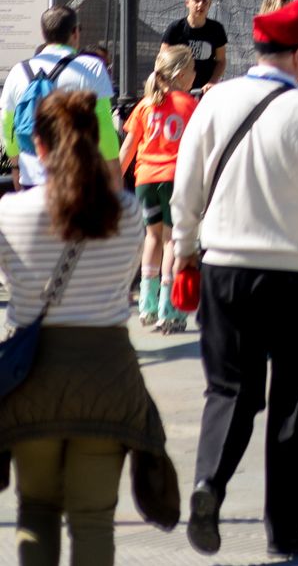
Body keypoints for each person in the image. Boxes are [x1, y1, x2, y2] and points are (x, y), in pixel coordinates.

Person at [173, 0, 298, 562]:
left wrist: (182, 251)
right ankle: (284, 531)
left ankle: (208, 485)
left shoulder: (215, 104)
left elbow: (185, 189)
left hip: (223, 267)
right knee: (290, 400)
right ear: (297, 53)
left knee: (228, 390)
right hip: (295, 277)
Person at [0, 90, 170, 566]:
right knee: (94, 520)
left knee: (35, 513)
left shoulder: (10, 212)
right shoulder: (128, 211)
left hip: (30, 380)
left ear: (37, 145)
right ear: (99, 141)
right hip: (108, 377)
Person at [119, 41, 199, 331]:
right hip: (175, 178)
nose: (195, 74)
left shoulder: (145, 104)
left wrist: (116, 181)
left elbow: (128, 147)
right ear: (180, 74)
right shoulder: (190, 105)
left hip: (145, 180)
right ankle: (170, 308)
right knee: (173, 241)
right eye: (192, 68)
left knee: (151, 238)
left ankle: (146, 305)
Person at [3, 10, 121, 195]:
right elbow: (104, 128)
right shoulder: (91, 67)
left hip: (31, 177)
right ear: (75, 32)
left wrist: (16, 167)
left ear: (44, 33)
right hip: (78, 177)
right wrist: (114, 174)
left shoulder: (18, 71)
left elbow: (7, 124)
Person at [163, 0, 228, 93]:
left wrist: (212, 82)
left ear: (210, 3)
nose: (201, 5)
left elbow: (221, 61)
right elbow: (162, 61)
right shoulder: (175, 28)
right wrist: (167, 86)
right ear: (187, 3)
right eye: (196, 1)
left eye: (205, 1)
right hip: (177, 90)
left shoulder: (217, 29)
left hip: (204, 92)